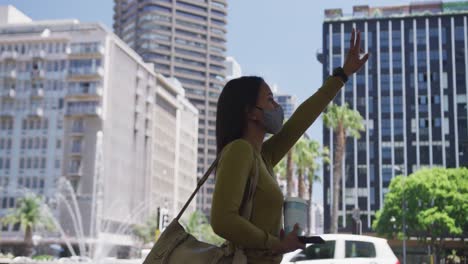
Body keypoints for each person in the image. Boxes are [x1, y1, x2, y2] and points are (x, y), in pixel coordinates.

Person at [210, 28, 369, 263]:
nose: (276, 106)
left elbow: (299, 122)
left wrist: (342, 75)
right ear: (251, 113)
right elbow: (222, 220)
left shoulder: (261, 156)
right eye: (269, 99)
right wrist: (275, 243)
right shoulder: (240, 150)